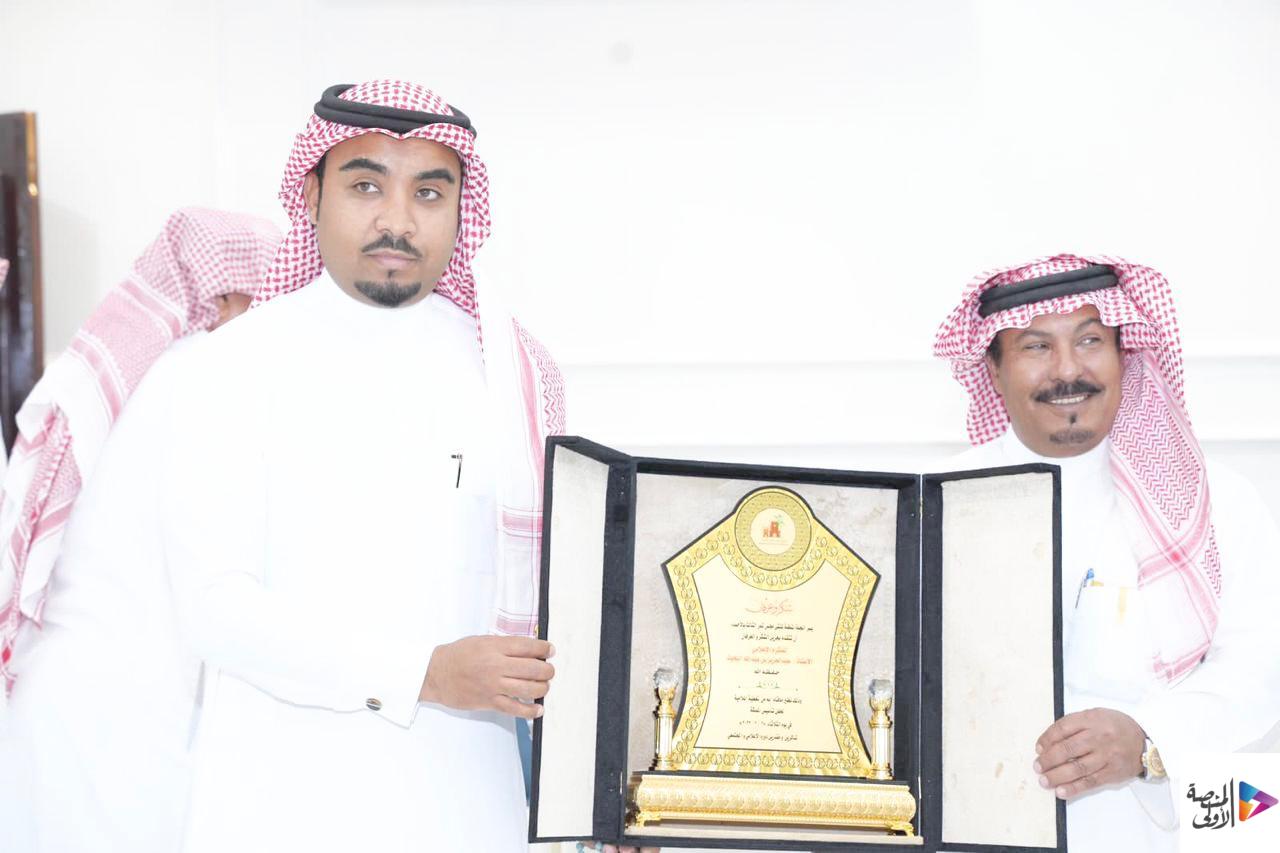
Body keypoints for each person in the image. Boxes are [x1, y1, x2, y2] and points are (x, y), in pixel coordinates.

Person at [161, 81, 571, 852]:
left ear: (462, 209)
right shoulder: (234, 365)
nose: (397, 220)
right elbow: (214, 608)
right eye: (366, 186)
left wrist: (618, 786)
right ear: (312, 194)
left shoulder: (514, 376)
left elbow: (564, 607)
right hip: (281, 808)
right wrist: (424, 673)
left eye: (429, 192)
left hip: (467, 810)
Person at [933, 254, 1280, 851]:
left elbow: (1259, 665)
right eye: (1036, 346)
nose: (1068, 369)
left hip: (1151, 830)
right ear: (993, 368)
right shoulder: (934, 499)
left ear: (1124, 353)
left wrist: (1149, 740)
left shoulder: (1215, 498)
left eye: (1090, 340)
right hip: (971, 826)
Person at [0, 209, 281, 852]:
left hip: (52, 698)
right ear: (228, 296)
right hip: (137, 714)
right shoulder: (215, 379)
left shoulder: (113, 372)